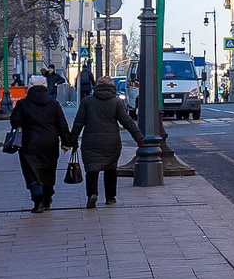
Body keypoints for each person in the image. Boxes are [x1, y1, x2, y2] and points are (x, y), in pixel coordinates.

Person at [71, 79, 140, 207]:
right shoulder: (116, 102)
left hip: (91, 142)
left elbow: (78, 123)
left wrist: (71, 141)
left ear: (97, 87)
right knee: (111, 168)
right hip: (111, 142)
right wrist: (139, 138)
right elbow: (127, 121)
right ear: (112, 88)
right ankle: (110, 197)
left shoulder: (87, 102)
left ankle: (92, 193)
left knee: (91, 169)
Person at [9, 76, 71, 213]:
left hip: (29, 142)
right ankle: (47, 197)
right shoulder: (54, 104)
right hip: (50, 142)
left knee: (31, 171)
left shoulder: (23, 104)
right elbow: (62, 125)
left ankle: (37, 200)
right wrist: (66, 142)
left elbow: (15, 122)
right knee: (48, 170)